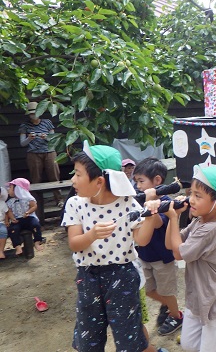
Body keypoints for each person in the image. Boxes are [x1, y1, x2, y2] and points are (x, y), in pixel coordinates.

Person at [61, 141, 167, 352]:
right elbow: (74, 243)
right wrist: (91, 235)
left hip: (122, 275)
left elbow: (142, 240)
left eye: (78, 174)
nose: (73, 179)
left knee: (128, 337)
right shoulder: (75, 204)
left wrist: (150, 214)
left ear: (99, 181)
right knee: (89, 334)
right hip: (88, 275)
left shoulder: (128, 203)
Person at [154, 165, 216, 352]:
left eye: (198, 196)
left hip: (213, 300)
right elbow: (170, 244)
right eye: (192, 194)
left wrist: (173, 218)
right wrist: (173, 217)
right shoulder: (199, 221)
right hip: (196, 297)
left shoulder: (212, 229)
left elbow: (178, 253)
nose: (191, 200)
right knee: (189, 345)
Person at [133, 157, 183, 335]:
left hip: (163, 258)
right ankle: (168, 305)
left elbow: (155, 224)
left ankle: (176, 315)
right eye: (136, 181)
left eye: (141, 181)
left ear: (157, 181)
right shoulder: (139, 200)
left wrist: (151, 204)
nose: (138, 186)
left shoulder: (166, 202)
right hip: (144, 255)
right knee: (148, 289)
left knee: (167, 290)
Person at [19, 101, 64, 208]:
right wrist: (29, 138)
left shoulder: (47, 122)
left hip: (49, 152)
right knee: (35, 179)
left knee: (54, 176)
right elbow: (22, 143)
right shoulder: (24, 125)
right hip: (33, 154)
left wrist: (46, 137)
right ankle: (36, 203)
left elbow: (54, 139)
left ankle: (59, 200)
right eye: (31, 114)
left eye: (35, 113)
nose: (33, 115)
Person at [6, 178, 44, 254]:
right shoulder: (10, 201)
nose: (8, 189)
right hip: (17, 220)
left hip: (29, 218)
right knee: (13, 230)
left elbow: (34, 206)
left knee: (36, 225)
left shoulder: (28, 199)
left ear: (17, 189)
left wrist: (28, 212)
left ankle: (37, 242)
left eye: (10, 187)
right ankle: (17, 246)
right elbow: (9, 211)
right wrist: (12, 218)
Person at [0, 186, 15, 259]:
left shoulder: (2, 203)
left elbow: (6, 213)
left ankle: (1, 250)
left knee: (3, 231)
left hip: (1, 222)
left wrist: (6, 221)